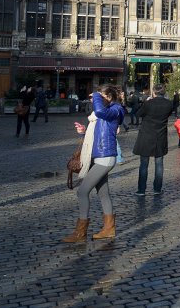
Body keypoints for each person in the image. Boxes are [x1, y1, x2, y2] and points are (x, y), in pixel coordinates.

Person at [63, 85, 125, 242]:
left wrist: (97, 95)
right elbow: (99, 132)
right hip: (98, 156)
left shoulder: (116, 109)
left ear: (109, 97)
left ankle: (80, 232)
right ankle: (109, 229)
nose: (94, 99)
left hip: (105, 158)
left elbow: (100, 111)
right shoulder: (101, 115)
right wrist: (84, 131)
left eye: (100, 96)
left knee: (82, 192)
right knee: (103, 193)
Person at [132, 84, 173, 196]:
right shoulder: (169, 104)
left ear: (154, 92)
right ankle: (157, 189)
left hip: (146, 135)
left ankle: (141, 190)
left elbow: (138, 114)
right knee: (159, 163)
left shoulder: (148, 103)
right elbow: (168, 115)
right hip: (160, 136)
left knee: (144, 164)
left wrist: (147, 102)